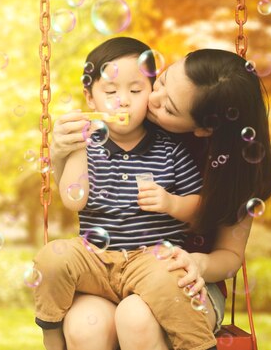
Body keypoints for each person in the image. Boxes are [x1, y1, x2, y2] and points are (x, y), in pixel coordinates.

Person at [51, 48, 271, 350]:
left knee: (136, 317)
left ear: (204, 129)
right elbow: (80, 195)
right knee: (84, 326)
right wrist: (60, 154)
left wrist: (198, 263)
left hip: (183, 282)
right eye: (162, 81)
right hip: (113, 272)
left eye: (169, 108)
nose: (151, 99)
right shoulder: (125, 129)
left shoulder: (235, 170)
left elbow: (230, 257)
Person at [33, 37, 216, 350]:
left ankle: (198, 345)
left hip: (150, 258)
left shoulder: (170, 149)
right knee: (51, 257)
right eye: (110, 91)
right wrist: (77, 148)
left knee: (172, 276)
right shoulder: (86, 146)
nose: (123, 101)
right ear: (90, 98)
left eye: (135, 90)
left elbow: (198, 207)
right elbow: (75, 199)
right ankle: (52, 338)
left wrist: (171, 203)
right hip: (95, 259)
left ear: (151, 92)